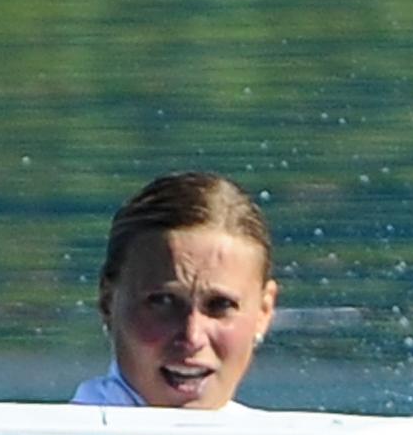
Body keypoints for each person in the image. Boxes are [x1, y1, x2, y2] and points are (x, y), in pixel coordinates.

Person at [72, 170, 279, 412]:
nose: (192, 337)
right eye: (163, 302)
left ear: (264, 311)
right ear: (108, 302)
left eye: (220, 305)